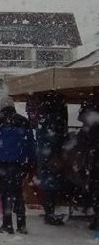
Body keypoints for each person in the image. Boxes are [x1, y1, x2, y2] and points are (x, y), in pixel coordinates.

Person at [0, 96, 36, 234]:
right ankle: (21, 225)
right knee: (18, 192)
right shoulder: (24, 121)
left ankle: (7, 224)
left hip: (2, 163)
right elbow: (31, 144)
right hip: (19, 164)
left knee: (5, 193)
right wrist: (29, 161)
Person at [29, 92, 68, 225]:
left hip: (44, 153)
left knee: (47, 183)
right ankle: (50, 214)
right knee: (51, 182)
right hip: (50, 154)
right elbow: (55, 137)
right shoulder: (54, 120)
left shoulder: (43, 119)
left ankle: (49, 212)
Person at [71, 102, 99, 230]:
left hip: (93, 159)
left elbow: (84, 139)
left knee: (94, 186)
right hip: (93, 158)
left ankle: (95, 215)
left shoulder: (91, 123)